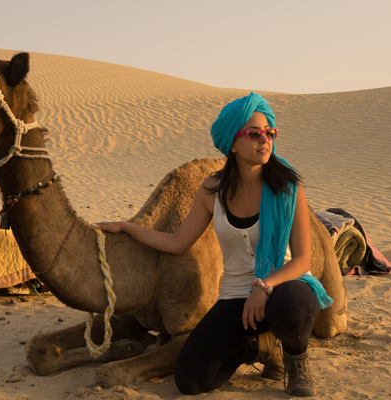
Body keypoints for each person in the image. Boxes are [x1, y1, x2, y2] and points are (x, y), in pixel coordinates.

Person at [95, 92, 333, 397]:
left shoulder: (286, 186)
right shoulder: (212, 190)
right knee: (191, 380)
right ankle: (260, 347)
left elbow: (302, 260)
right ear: (232, 144)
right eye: (254, 133)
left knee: (292, 307)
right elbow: (179, 242)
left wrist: (263, 287)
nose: (265, 140)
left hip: (284, 286)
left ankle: (296, 361)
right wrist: (128, 227)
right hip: (236, 297)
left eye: (270, 133)